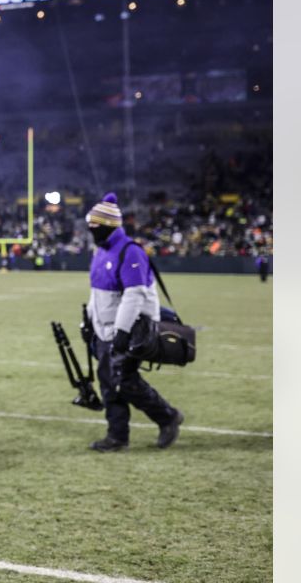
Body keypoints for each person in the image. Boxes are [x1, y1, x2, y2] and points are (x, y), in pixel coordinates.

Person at [84, 192, 183, 453]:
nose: (91, 230)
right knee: (108, 381)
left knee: (123, 380)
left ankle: (167, 416)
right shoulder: (100, 250)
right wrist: (89, 320)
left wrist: (122, 331)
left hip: (131, 329)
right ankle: (117, 436)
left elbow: (135, 294)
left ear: (108, 226)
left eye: (95, 226)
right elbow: (97, 291)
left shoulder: (130, 251)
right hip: (105, 329)